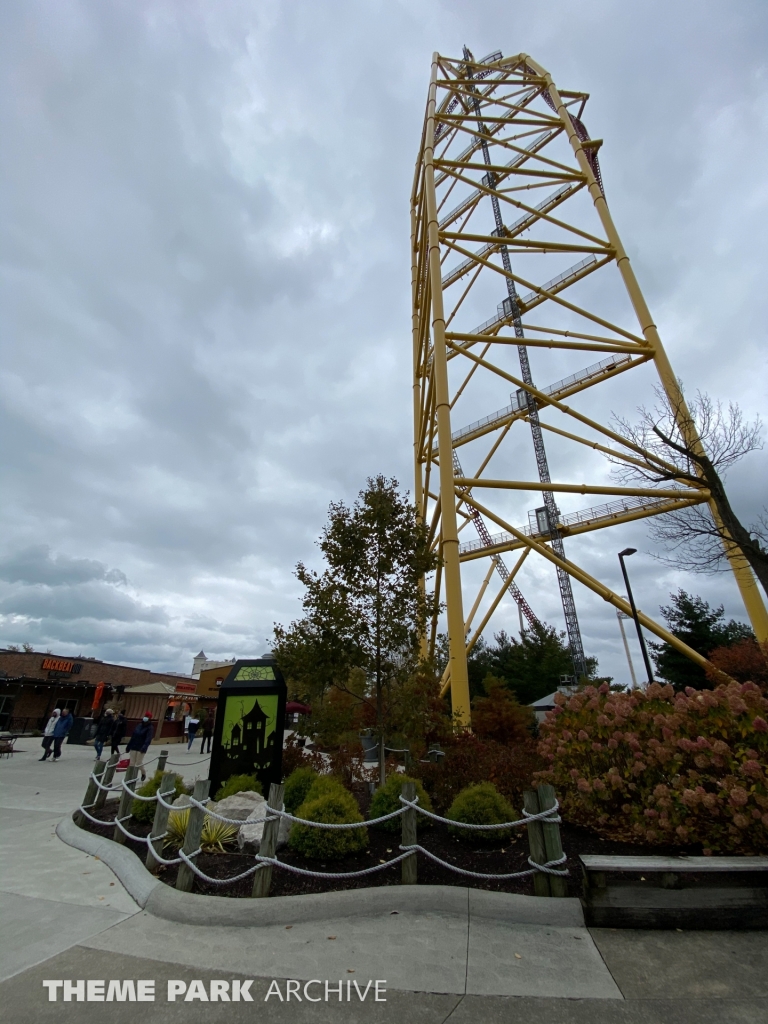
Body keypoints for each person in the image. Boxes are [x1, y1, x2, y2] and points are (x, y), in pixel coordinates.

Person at [125, 713, 154, 781]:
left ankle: (143, 773)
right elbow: (133, 736)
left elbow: (148, 739)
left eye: (147, 717)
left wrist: (144, 747)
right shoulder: (139, 725)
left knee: (138, 762)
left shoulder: (150, 727)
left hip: (141, 747)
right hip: (134, 745)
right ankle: (130, 776)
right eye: (145, 716)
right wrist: (128, 746)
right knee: (132, 762)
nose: (145, 718)